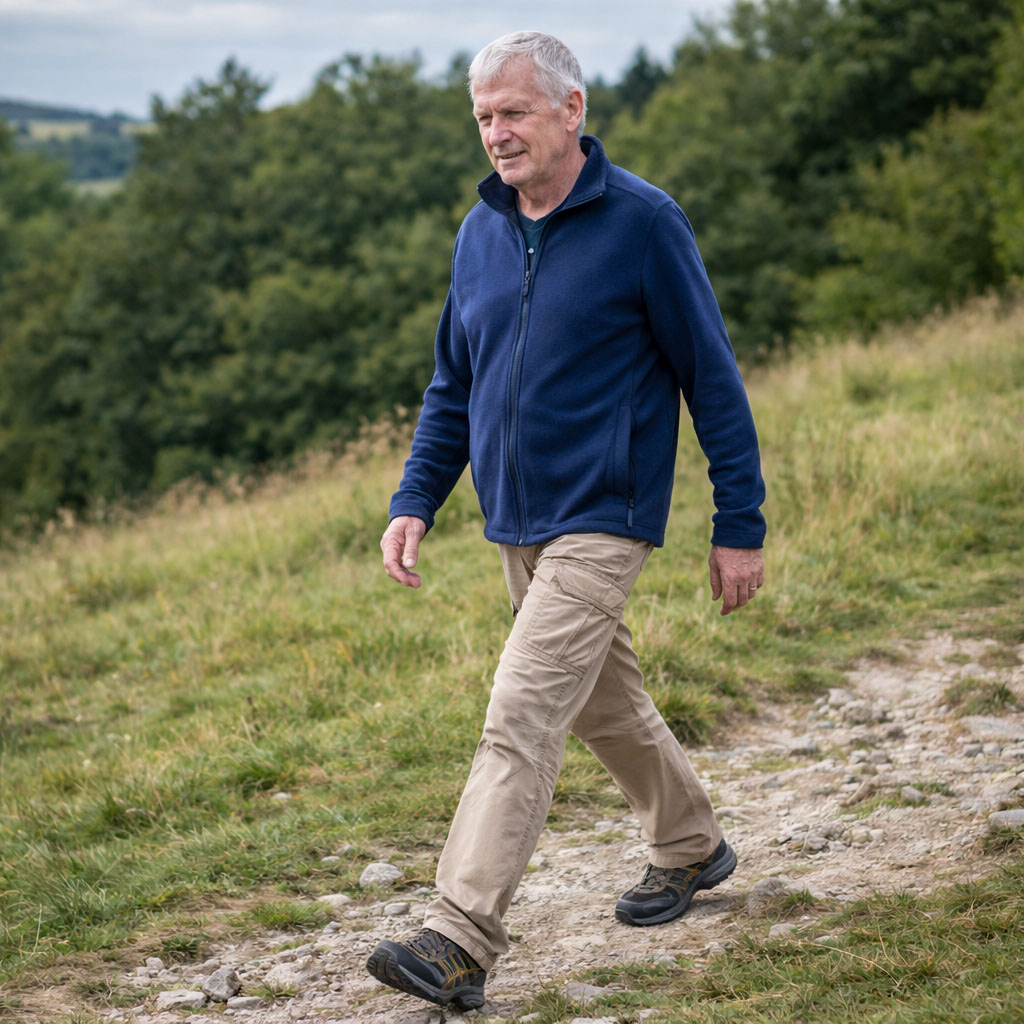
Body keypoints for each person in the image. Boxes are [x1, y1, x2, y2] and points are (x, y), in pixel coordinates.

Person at [366, 30, 766, 1012]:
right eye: (484, 117)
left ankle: (459, 936)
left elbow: (711, 379)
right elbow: (453, 385)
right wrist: (416, 497)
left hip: (605, 514)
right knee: (599, 703)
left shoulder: (643, 224)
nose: (497, 133)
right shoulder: (481, 231)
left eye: (514, 112)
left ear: (571, 109)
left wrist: (739, 522)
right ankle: (690, 843)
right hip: (516, 519)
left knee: (522, 711)